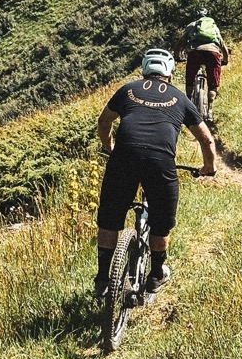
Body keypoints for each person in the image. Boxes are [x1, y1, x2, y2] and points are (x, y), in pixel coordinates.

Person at [93, 48, 217, 298]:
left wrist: (109, 147)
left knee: (110, 218)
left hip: (123, 157)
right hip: (160, 162)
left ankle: (103, 279)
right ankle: (157, 274)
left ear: (144, 71)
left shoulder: (127, 90)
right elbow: (206, 140)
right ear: (170, 75)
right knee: (161, 222)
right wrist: (209, 167)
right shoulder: (180, 98)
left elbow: (104, 122)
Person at [179, 7, 229, 104]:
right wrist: (225, 60)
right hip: (212, 52)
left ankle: (188, 102)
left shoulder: (192, 25)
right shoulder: (213, 27)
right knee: (213, 83)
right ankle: (210, 107)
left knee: (190, 79)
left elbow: (180, 42)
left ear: (196, 16)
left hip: (195, 52)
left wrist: (177, 56)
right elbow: (222, 45)